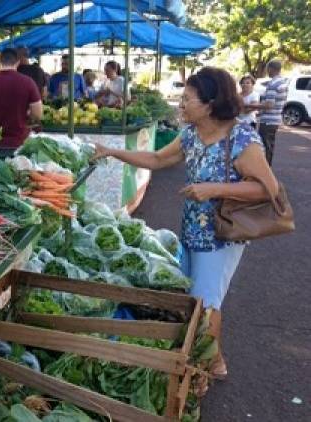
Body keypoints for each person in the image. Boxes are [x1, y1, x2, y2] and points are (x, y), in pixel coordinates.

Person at [93, 67, 279, 381]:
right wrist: (113, 152)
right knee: (196, 300)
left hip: (221, 234)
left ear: (209, 104)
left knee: (206, 304)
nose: (181, 105)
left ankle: (207, 369)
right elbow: (157, 159)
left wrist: (214, 189)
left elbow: (268, 189)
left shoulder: (242, 137)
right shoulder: (192, 134)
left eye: (187, 99)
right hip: (193, 228)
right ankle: (212, 359)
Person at [253, 60, 288, 165]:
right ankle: (267, 168)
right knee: (270, 145)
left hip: (268, 121)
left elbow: (269, 105)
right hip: (275, 119)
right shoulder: (283, 82)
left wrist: (251, 106)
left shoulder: (273, 84)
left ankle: (265, 170)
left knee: (264, 146)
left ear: (270, 69)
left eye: (267, 69)